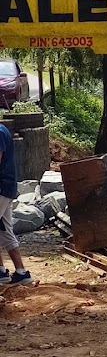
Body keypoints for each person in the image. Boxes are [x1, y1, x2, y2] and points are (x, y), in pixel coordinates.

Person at [0, 121, 31, 285]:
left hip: (2, 188)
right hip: (7, 188)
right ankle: (20, 272)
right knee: (4, 230)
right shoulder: (2, 130)